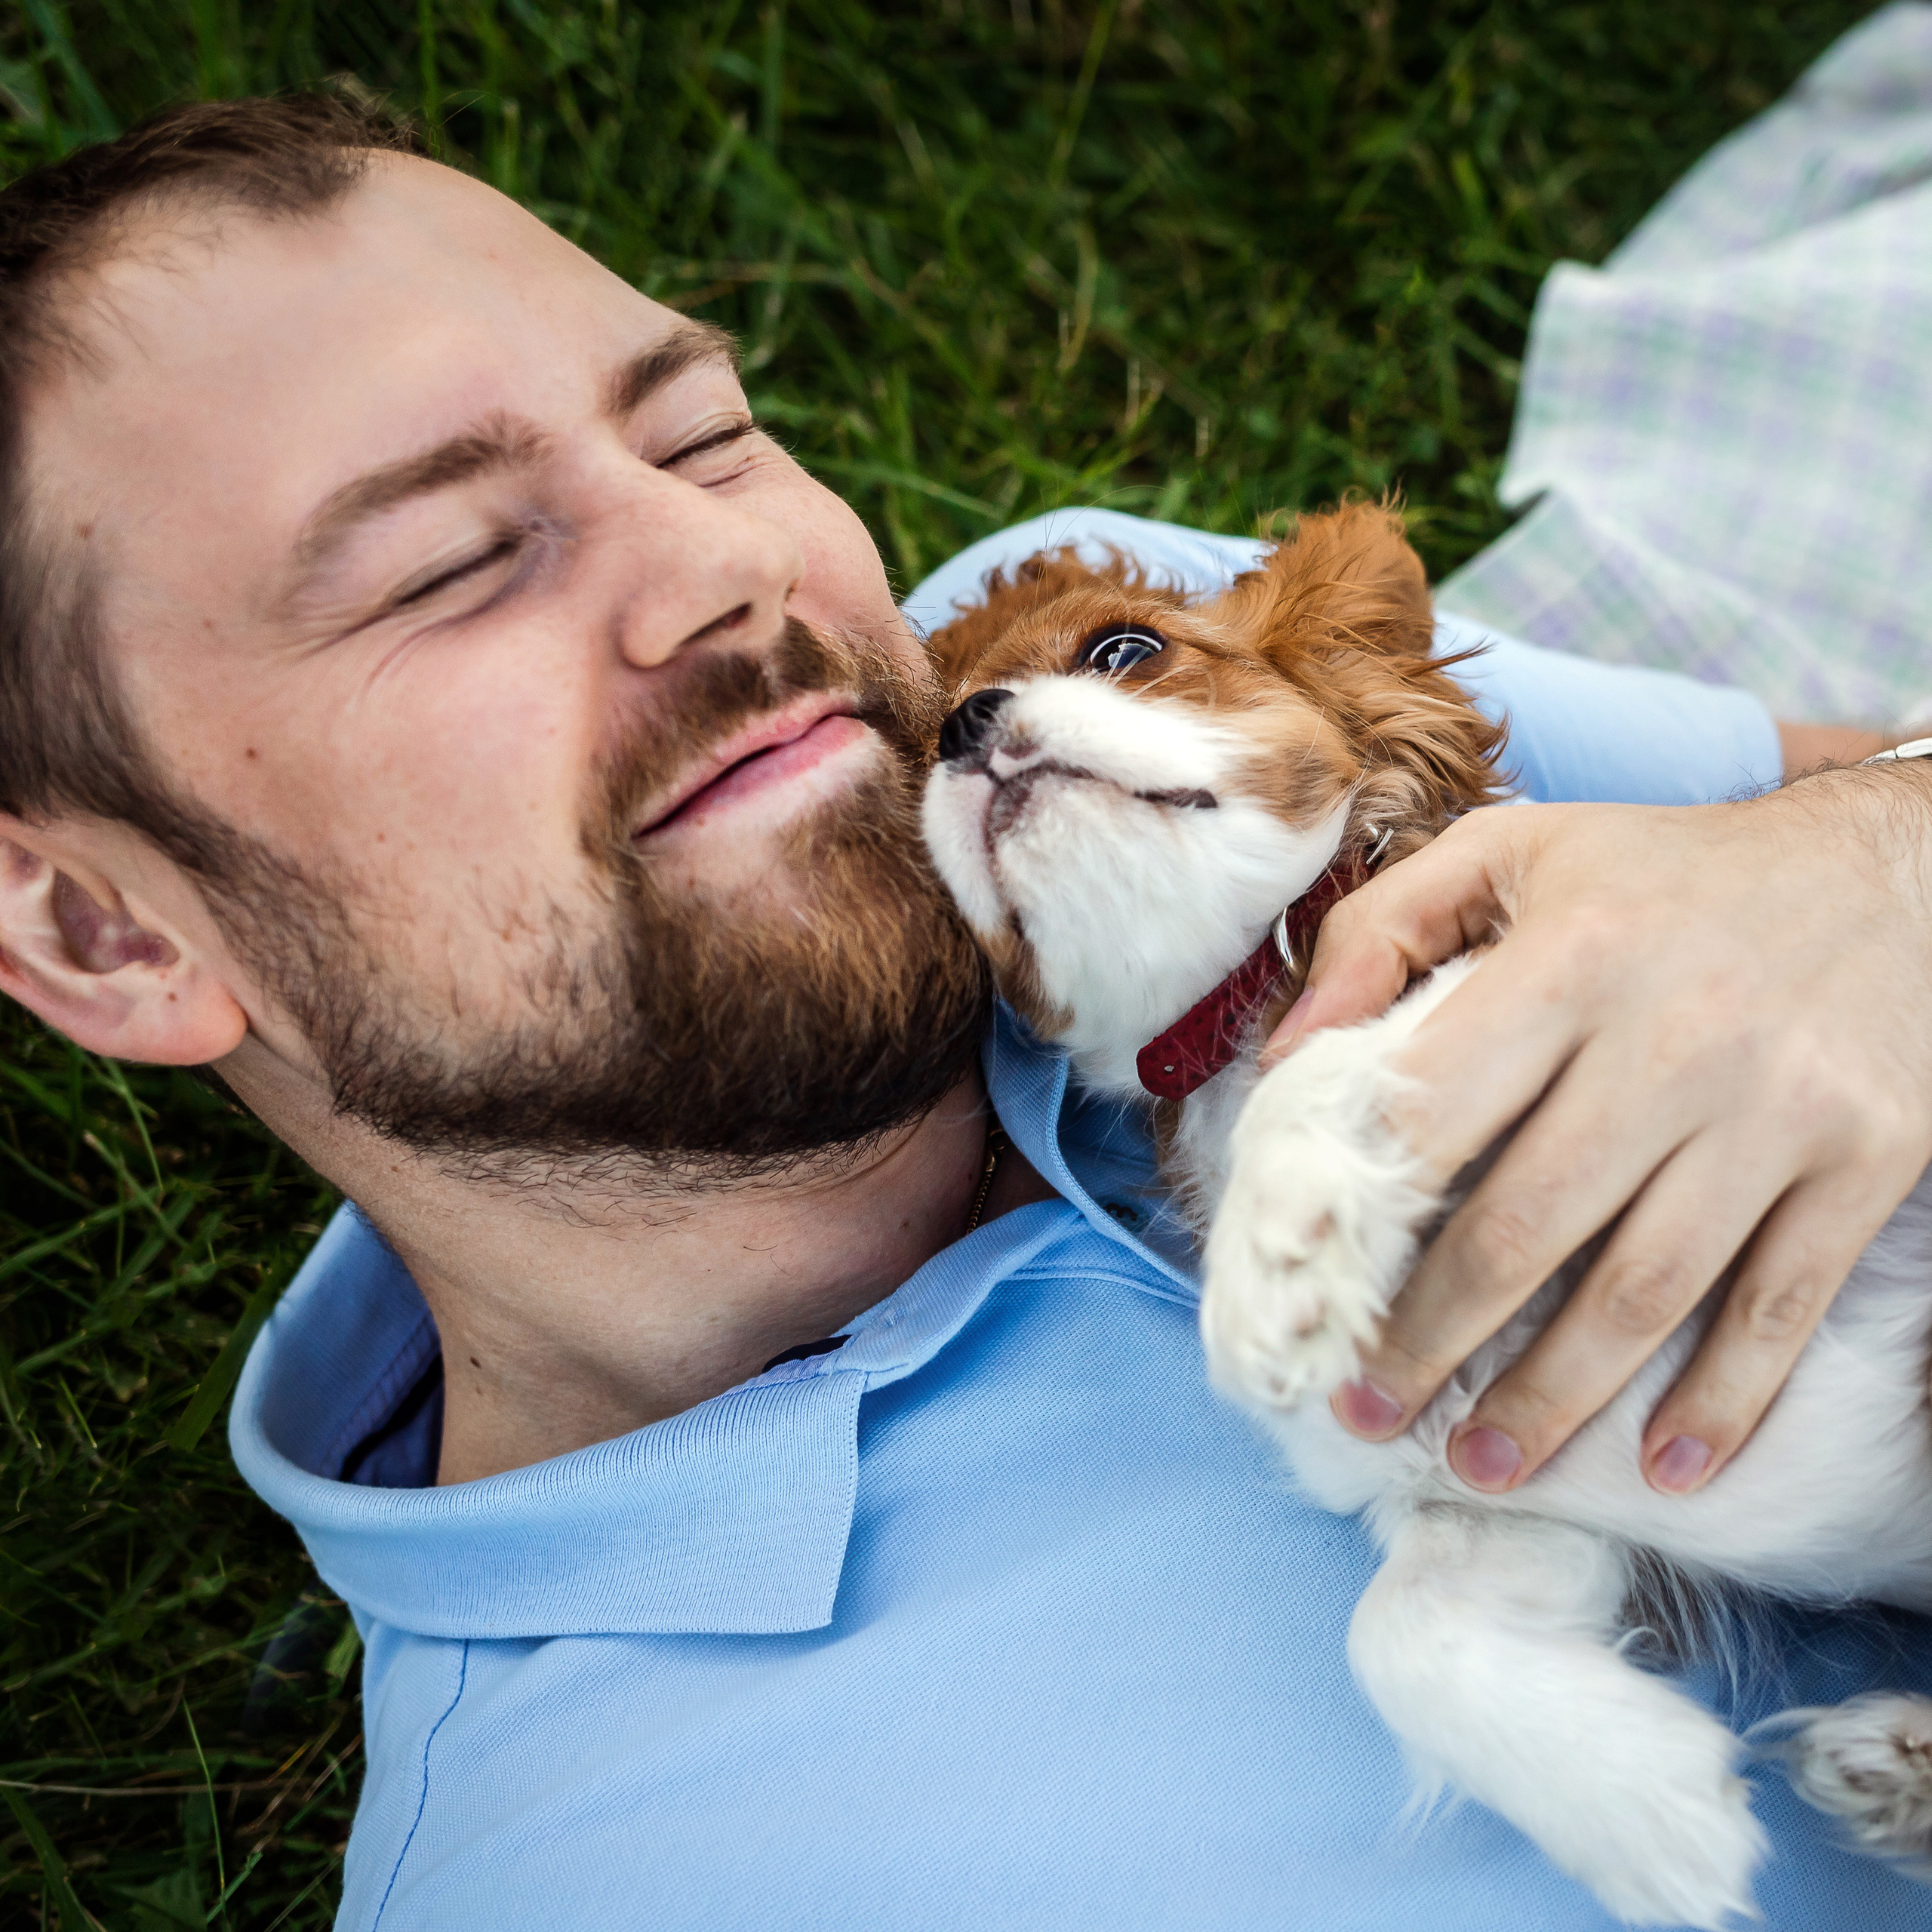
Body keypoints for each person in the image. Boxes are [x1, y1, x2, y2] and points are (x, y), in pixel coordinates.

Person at [0, 92, 1926, 1932]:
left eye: (700, 433)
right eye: (450, 564)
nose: (730, 568)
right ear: (104, 929)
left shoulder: (1050, 679)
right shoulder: (595, 1871)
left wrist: (1872, 859)